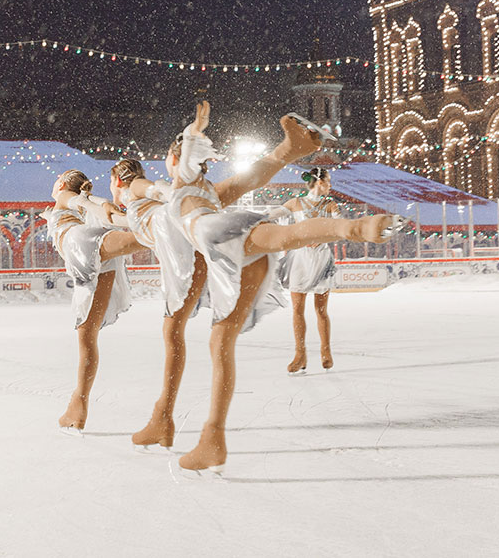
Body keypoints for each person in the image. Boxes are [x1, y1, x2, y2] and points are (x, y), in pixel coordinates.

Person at [167, 102, 403, 474]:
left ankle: (353, 228)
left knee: (286, 236)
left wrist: (194, 132)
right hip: (231, 250)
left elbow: (187, 158)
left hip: (214, 234)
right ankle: (212, 439)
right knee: (223, 338)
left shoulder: (182, 184)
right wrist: (287, 150)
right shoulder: (211, 192)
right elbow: (254, 177)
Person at [109, 159, 208, 451]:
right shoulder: (133, 207)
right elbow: (123, 222)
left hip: (186, 256)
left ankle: (163, 418)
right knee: (173, 334)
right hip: (185, 256)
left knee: (174, 334)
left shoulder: (135, 189)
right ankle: (162, 418)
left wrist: (180, 199)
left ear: (118, 180)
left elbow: (159, 189)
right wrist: (104, 209)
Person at [41, 169, 146, 433]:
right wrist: (104, 205)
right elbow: (91, 203)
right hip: (94, 253)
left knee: (87, 338)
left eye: (57, 181)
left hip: (79, 244)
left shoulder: (66, 196)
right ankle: (78, 403)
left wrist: (89, 203)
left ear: (63, 183)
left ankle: (161, 225)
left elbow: (79, 202)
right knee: (87, 334)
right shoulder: (69, 203)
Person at [269, 168, 339, 373]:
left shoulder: (330, 205)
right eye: (328, 181)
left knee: (321, 309)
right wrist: (250, 219)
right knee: (297, 309)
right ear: (319, 182)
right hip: (300, 260)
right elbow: (272, 215)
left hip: (321, 259)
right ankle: (300, 354)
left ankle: (326, 351)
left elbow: (339, 228)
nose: (330, 185)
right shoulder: (295, 203)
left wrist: (322, 237)